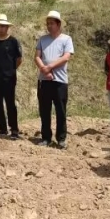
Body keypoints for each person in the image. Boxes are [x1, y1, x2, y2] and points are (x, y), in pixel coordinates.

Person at [35, 10, 74, 149]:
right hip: (44, 80)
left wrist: (49, 67)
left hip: (60, 81)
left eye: (52, 23)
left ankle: (61, 138)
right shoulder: (42, 39)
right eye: (48, 23)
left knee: (61, 111)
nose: (49, 26)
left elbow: (66, 57)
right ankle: (46, 137)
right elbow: (37, 56)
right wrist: (43, 69)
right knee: (44, 110)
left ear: (58, 24)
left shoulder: (66, 39)